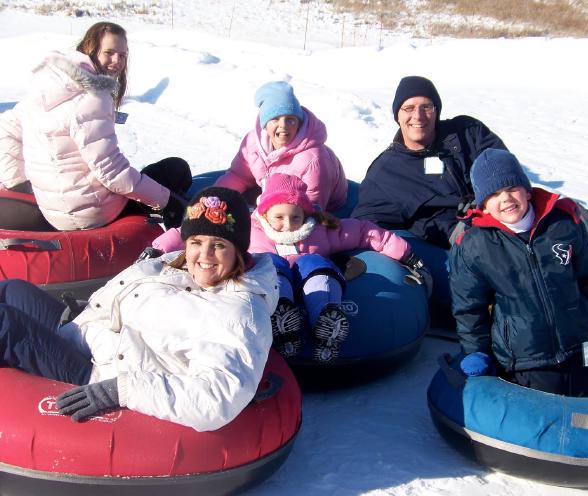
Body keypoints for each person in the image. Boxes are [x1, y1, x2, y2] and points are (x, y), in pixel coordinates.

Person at [352, 75, 588, 341]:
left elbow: (503, 165)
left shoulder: (465, 131)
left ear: (437, 110)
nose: (418, 116)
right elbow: (365, 224)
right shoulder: (386, 172)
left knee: (568, 213)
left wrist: (495, 198)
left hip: (501, 203)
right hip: (464, 230)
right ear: (397, 115)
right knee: (495, 254)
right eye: (408, 108)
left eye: (426, 106)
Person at [0, 187, 278, 431]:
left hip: (100, 372)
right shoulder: (180, 267)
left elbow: (217, 398)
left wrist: (120, 390)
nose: (204, 255)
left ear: (238, 250)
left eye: (218, 245)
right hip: (89, 334)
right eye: (196, 242)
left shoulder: (239, 313)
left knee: (4, 323)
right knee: (12, 289)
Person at [0, 21, 191, 231]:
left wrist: (18, 183)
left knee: (148, 177)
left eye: (123, 55)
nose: (117, 61)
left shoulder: (48, 87)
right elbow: (111, 171)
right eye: (109, 52)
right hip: (96, 212)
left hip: (53, 211)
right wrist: (167, 201)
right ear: (91, 49)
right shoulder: (93, 96)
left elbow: (6, 129)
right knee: (176, 169)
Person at [450, 148, 588, 395]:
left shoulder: (562, 224)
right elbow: (469, 307)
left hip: (580, 345)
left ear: (527, 190)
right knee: (547, 411)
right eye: (494, 194)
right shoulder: (475, 245)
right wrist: (476, 352)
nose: (506, 199)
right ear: (484, 205)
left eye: (512, 188)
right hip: (527, 358)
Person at [249, 173, 430, 364]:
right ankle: (281, 318)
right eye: (279, 217)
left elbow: (364, 232)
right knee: (269, 265)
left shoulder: (319, 230)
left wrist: (404, 253)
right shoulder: (252, 232)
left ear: (305, 214)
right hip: (275, 280)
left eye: (296, 217)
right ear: (265, 214)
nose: (288, 225)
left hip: (309, 277)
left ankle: (327, 320)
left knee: (317, 265)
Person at [214, 80, 347, 211]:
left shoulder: (313, 161)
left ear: (299, 123)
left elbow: (311, 208)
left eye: (290, 120)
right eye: (275, 119)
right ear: (265, 124)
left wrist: (259, 219)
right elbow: (239, 176)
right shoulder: (253, 142)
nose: (283, 125)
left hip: (324, 206)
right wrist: (214, 198)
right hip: (271, 191)